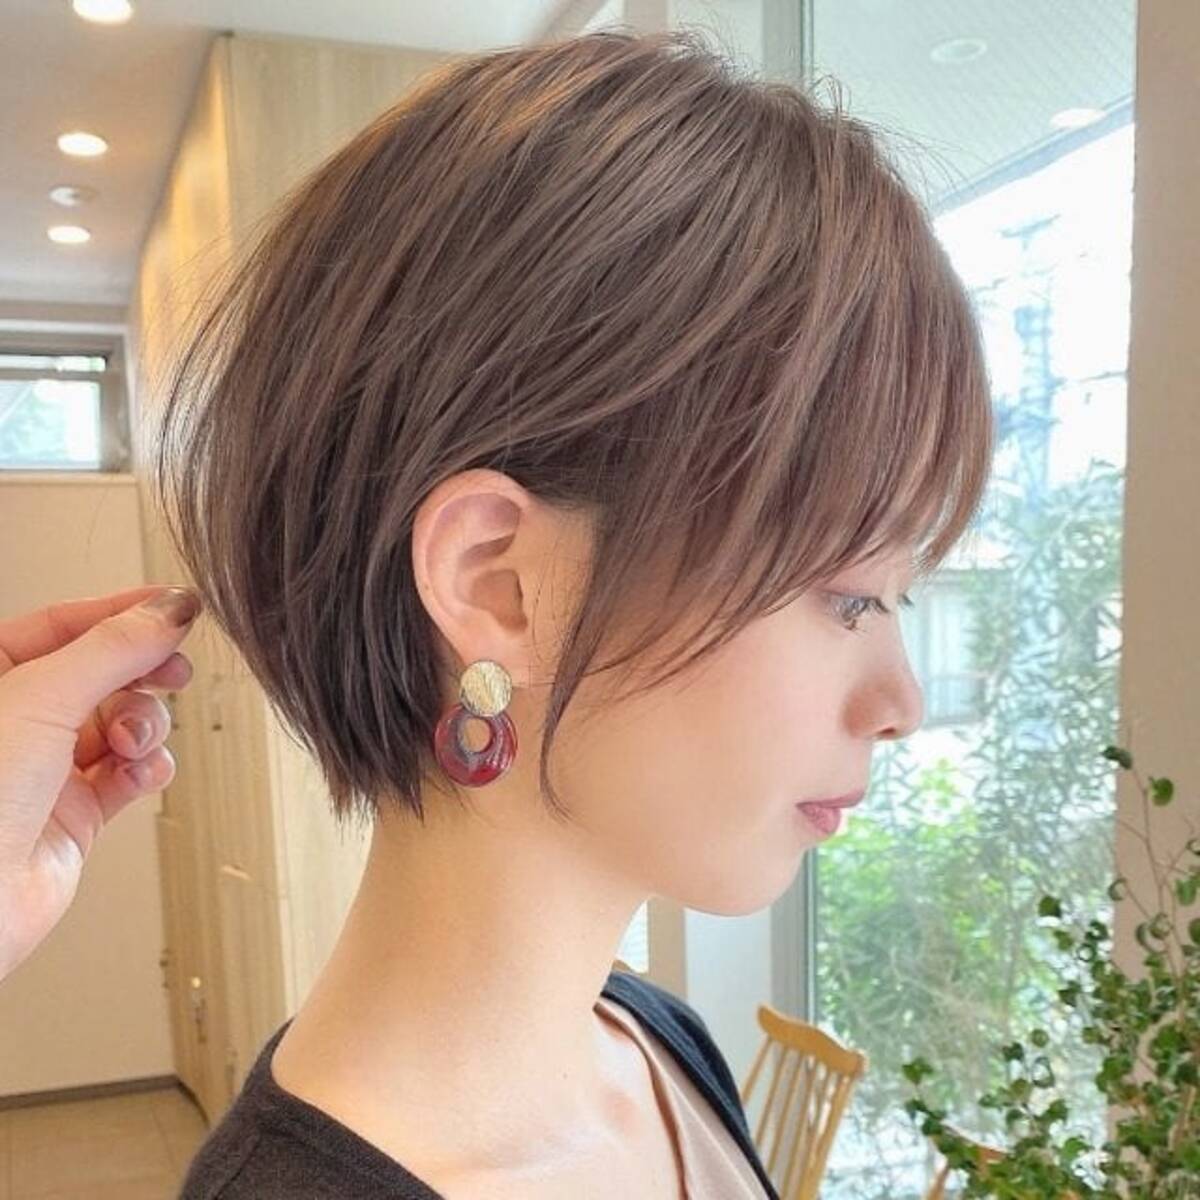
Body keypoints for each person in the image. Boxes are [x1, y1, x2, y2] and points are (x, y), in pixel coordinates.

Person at [2, 25, 995, 1200]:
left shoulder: (656, 1043)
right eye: (849, 596)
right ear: (495, 583)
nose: (901, 703)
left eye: (897, 598)